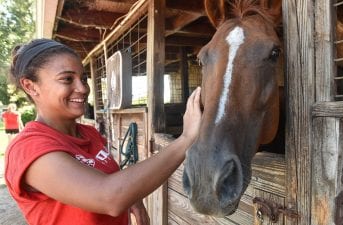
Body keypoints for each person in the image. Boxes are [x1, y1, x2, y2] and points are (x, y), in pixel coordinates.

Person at [4, 38, 202, 225]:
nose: (82, 88)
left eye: (83, 78)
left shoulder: (88, 134)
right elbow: (109, 197)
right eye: (67, 79)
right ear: (30, 86)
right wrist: (185, 139)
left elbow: (113, 181)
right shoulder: (29, 148)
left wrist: (133, 199)